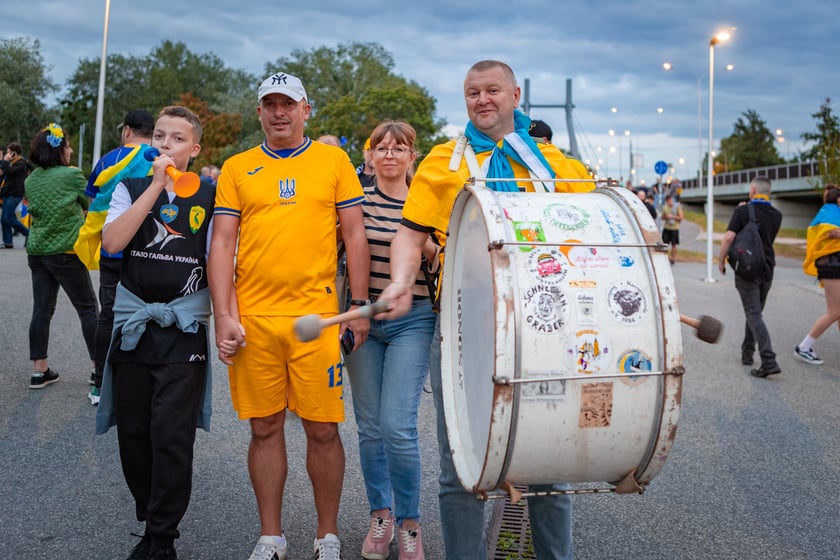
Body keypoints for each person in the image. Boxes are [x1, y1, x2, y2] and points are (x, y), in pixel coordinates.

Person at [377, 60, 594, 560]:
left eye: (493, 90)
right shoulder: (442, 163)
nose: (482, 99)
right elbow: (411, 233)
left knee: (546, 459)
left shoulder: (555, 165)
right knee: (460, 465)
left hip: (542, 326)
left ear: (515, 94)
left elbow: (590, 229)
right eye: (473, 92)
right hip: (461, 329)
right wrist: (402, 282)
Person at [208, 71, 370, 560]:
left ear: (306, 110)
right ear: (259, 111)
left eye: (288, 104)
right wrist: (222, 314)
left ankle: (327, 536)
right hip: (254, 318)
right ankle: (271, 537)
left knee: (323, 429)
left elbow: (355, 235)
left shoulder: (332, 160)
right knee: (264, 428)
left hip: (315, 320)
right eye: (270, 104)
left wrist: (358, 306)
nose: (279, 112)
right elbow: (221, 242)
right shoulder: (238, 167)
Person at [95, 105, 213, 560]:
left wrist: (228, 320)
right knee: (135, 435)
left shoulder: (209, 194)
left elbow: (220, 260)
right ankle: (149, 515)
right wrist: (157, 188)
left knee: (171, 435)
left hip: (182, 327)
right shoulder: (130, 186)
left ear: (194, 149)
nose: (164, 144)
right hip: (134, 323)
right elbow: (112, 243)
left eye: (177, 139)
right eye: (159, 136)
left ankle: (162, 536)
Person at [344, 120, 438, 560]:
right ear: (369, 155)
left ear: (411, 157)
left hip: (412, 321)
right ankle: (380, 514)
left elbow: (444, 265)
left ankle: (410, 523)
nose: (388, 155)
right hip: (362, 319)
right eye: (380, 148)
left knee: (398, 427)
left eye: (398, 148)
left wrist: (430, 248)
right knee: (369, 428)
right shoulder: (356, 202)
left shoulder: (428, 203)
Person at [75, 109, 155, 405]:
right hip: (148, 248)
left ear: (127, 131)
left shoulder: (109, 159)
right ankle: (140, 382)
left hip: (113, 246)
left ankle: (99, 384)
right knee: (146, 314)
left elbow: (94, 199)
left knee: (108, 314)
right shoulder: (159, 160)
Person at [24, 124, 99, 389]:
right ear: (59, 150)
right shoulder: (72, 175)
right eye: (68, 146)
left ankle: (39, 370)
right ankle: (98, 369)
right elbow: (89, 203)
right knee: (88, 308)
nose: (71, 150)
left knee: (41, 310)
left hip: (37, 251)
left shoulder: (30, 179)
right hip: (66, 251)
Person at [718, 176, 783, 377]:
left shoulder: (742, 210)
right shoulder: (777, 215)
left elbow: (729, 237)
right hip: (767, 269)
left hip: (747, 268)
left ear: (753, 190)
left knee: (753, 313)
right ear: (768, 192)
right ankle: (747, 353)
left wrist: (720, 260)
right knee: (754, 312)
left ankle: (768, 359)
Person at [795, 184, 840, 365]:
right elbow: (830, 232)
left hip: (832, 265)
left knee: (839, 311)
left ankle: (805, 346)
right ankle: (804, 347)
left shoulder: (828, 210)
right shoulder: (830, 212)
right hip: (831, 265)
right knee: (835, 310)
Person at [0, 142, 31, 248]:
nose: (7, 154)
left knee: (8, 218)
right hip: (7, 193)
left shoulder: (21, 163)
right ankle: (8, 242)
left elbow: (10, 171)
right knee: (4, 218)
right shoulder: (12, 163)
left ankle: (29, 234)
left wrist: (5, 160)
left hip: (15, 194)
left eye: (9, 152)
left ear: (14, 153)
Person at [660, 193, 683, 264]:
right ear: (667, 201)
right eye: (668, 201)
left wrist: (672, 217)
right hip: (667, 228)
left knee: (674, 244)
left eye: (671, 200)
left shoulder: (677, 207)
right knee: (665, 243)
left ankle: (673, 258)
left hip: (674, 228)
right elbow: (662, 217)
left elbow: (681, 217)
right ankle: (665, 257)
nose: (670, 202)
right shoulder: (665, 207)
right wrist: (666, 216)